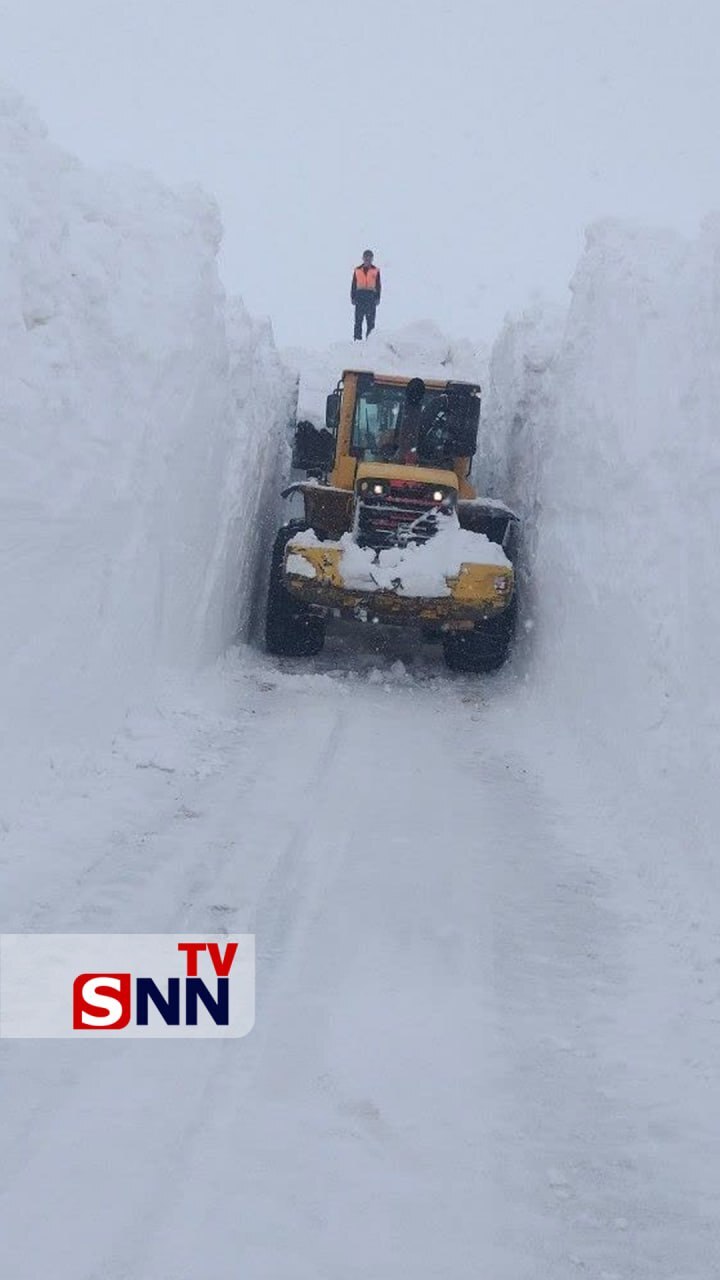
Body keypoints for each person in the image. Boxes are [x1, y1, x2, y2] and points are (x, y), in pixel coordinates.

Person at [351, 249, 381, 340]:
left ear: (372, 259)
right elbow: (353, 284)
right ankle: (357, 340)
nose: (367, 259)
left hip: (371, 298)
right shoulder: (357, 270)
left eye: (369, 257)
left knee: (370, 323)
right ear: (363, 258)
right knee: (358, 322)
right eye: (366, 257)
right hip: (360, 298)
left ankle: (370, 341)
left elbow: (378, 285)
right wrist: (353, 297)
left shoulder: (375, 270)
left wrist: (378, 298)